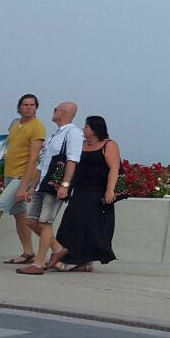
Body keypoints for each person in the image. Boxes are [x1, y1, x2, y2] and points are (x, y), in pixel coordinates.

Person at [0, 94, 45, 264]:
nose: (28, 108)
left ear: (36, 107)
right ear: (19, 107)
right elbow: (3, 147)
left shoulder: (37, 127)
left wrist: (23, 187)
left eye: (32, 105)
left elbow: (34, 158)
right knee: (20, 215)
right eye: (25, 104)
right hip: (9, 175)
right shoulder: (14, 124)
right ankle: (29, 252)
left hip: (22, 177)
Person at [42, 115, 121, 272]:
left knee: (91, 225)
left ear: (95, 129)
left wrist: (109, 190)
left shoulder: (109, 145)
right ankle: (66, 256)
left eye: (86, 127)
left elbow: (114, 168)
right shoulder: (81, 144)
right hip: (80, 190)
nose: (83, 129)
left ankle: (83, 260)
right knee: (71, 222)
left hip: (97, 192)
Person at [15, 102, 83, 276]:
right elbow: (43, 163)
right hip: (43, 183)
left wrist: (65, 185)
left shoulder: (73, 133)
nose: (53, 112)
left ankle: (38, 264)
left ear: (63, 112)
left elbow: (72, 160)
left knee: (45, 223)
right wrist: (33, 186)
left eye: (55, 110)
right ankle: (58, 249)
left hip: (55, 185)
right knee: (30, 220)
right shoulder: (55, 134)